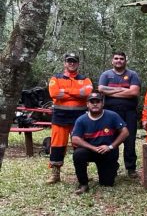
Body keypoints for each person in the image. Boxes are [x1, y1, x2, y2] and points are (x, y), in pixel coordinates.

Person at [47, 52, 93, 184]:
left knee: (80, 146)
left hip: (80, 118)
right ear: (65, 63)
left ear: (78, 63)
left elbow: (87, 93)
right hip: (60, 117)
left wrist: (65, 91)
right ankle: (55, 174)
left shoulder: (85, 79)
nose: (71, 63)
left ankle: (82, 174)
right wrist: (78, 93)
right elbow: (54, 93)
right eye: (69, 61)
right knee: (57, 145)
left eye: (74, 61)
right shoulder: (56, 78)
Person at [71, 92, 129, 195]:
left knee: (107, 183)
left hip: (108, 151)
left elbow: (125, 132)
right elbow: (75, 139)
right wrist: (93, 148)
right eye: (92, 102)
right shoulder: (81, 120)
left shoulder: (112, 115)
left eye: (97, 102)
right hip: (90, 151)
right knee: (78, 154)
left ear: (102, 103)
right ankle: (83, 184)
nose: (95, 104)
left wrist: (110, 146)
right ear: (87, 104)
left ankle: (112, 167)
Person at [98, 51, 141, 178]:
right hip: (110, 113)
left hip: (129, 112)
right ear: (112, 61)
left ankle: (131, 168)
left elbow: (134, 92)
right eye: (116, 58)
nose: (119, 60)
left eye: (121, 58)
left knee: (130, 140)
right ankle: (113, 166)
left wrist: (111, 91)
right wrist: (123, 89)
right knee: (111, 138)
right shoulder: (106, 75)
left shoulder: (132, 74)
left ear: (125, 61)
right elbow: (101, 89)